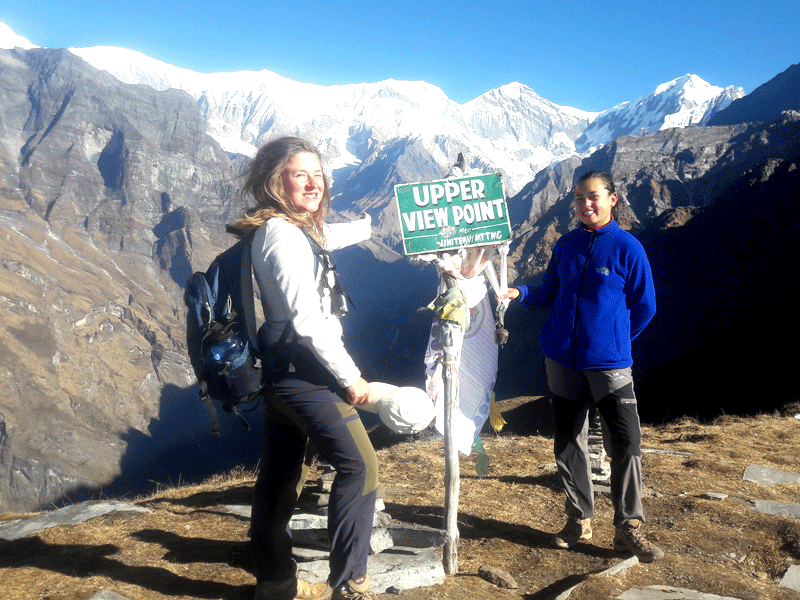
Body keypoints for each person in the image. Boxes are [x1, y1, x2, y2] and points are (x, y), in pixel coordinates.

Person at [231, 137, 379, 600]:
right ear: (278, 182)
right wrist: (351, 378)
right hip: (305, 372)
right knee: (360, 467)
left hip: (281, 371)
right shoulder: (282, 238)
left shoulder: (284, 230)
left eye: (318, 173)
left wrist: (365, 227)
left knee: (280, 474)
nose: (314, 182)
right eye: (301, 174)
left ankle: (274, 581)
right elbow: (309, 321)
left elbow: (322, 240)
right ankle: (350, 585)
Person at [500, 170, 663, 562]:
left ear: (612, 199)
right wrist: (519, 291)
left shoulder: (628, 248)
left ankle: (629, 527)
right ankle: (578, 519)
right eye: (578, 198)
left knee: (625, 443)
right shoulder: (566, 245)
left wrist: (616, 340)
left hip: (609, 366)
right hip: (562, 360)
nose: (585, 204)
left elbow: (645, 307)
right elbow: (550, 292)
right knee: (568, 441)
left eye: (592, 197)